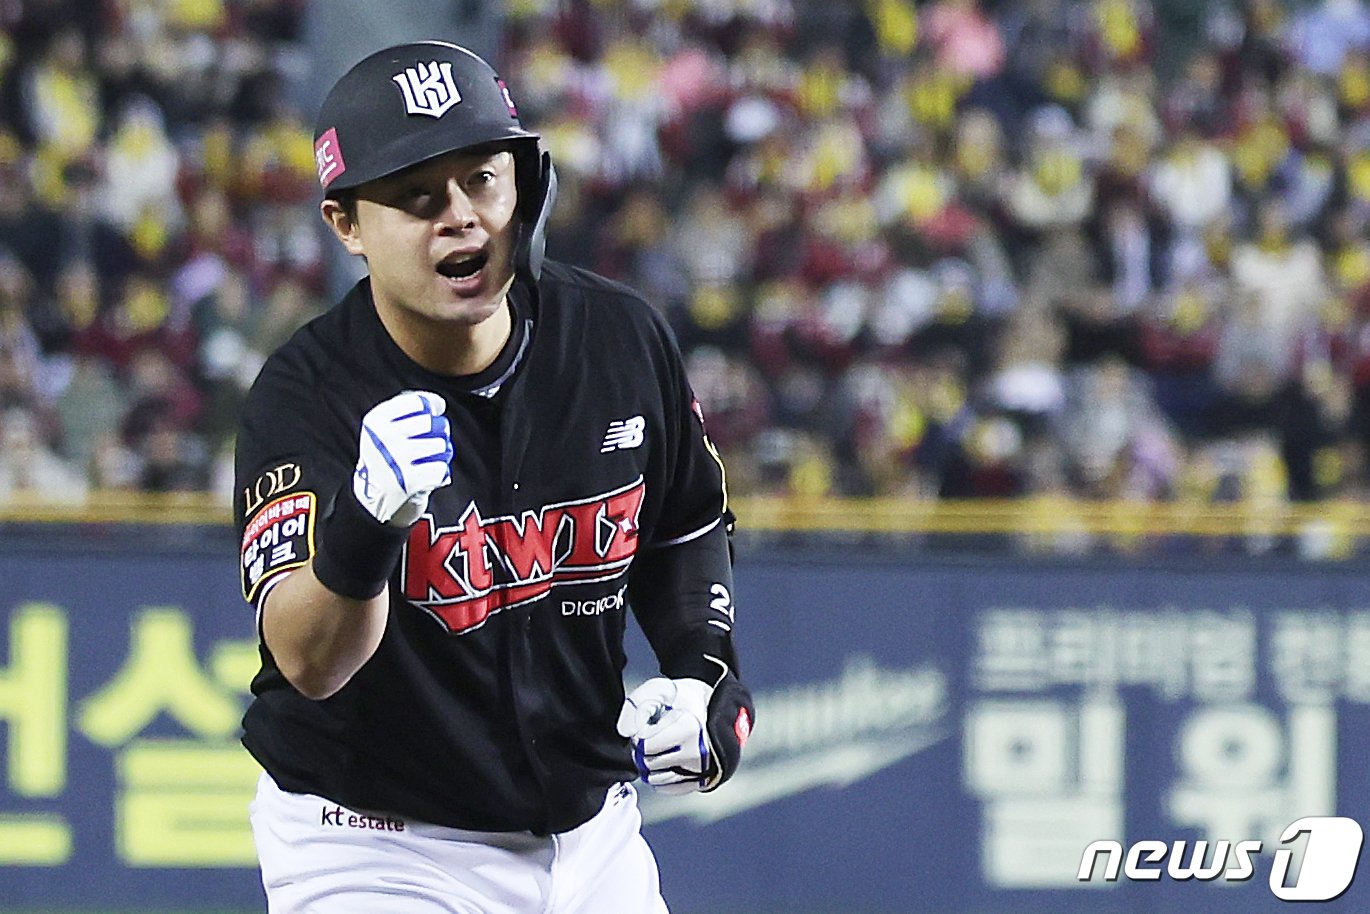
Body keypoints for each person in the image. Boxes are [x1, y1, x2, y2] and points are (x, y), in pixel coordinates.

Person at [233, 40, 754, 914]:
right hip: (373, 842)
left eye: (482, 179)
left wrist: (705, 673)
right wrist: (367, 524)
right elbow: (308, 661)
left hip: (591, 834)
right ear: (346, 225)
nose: (462, 216)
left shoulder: (616, 338)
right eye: (415, 197)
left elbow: (684, 524)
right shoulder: (306, 397)